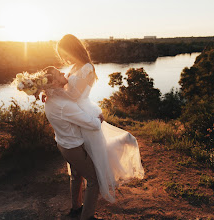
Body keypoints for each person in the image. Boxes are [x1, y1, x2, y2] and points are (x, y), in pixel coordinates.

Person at [54, 34, 144, 202]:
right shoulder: (73, 67)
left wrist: (52, 92)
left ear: (73, 49)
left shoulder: (87, 67)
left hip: (82, 114)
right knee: (77, 166)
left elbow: (75, 95)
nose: (64, 58)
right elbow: (72, 93)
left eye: (64, 53)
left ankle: (90, 203)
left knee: (94, 156)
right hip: (74, 114)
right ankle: (77, 206)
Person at [43, 66, 103, 220]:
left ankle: (76, 208)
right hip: (74, 147)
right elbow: (93, 124)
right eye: (59, 73)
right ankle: (87, 217)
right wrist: (98, 119)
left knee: (76, 176)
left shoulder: (50, 99)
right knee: (94, 180)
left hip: (63, 144)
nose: (64, 73)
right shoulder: (64, 105)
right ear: (55, 82)